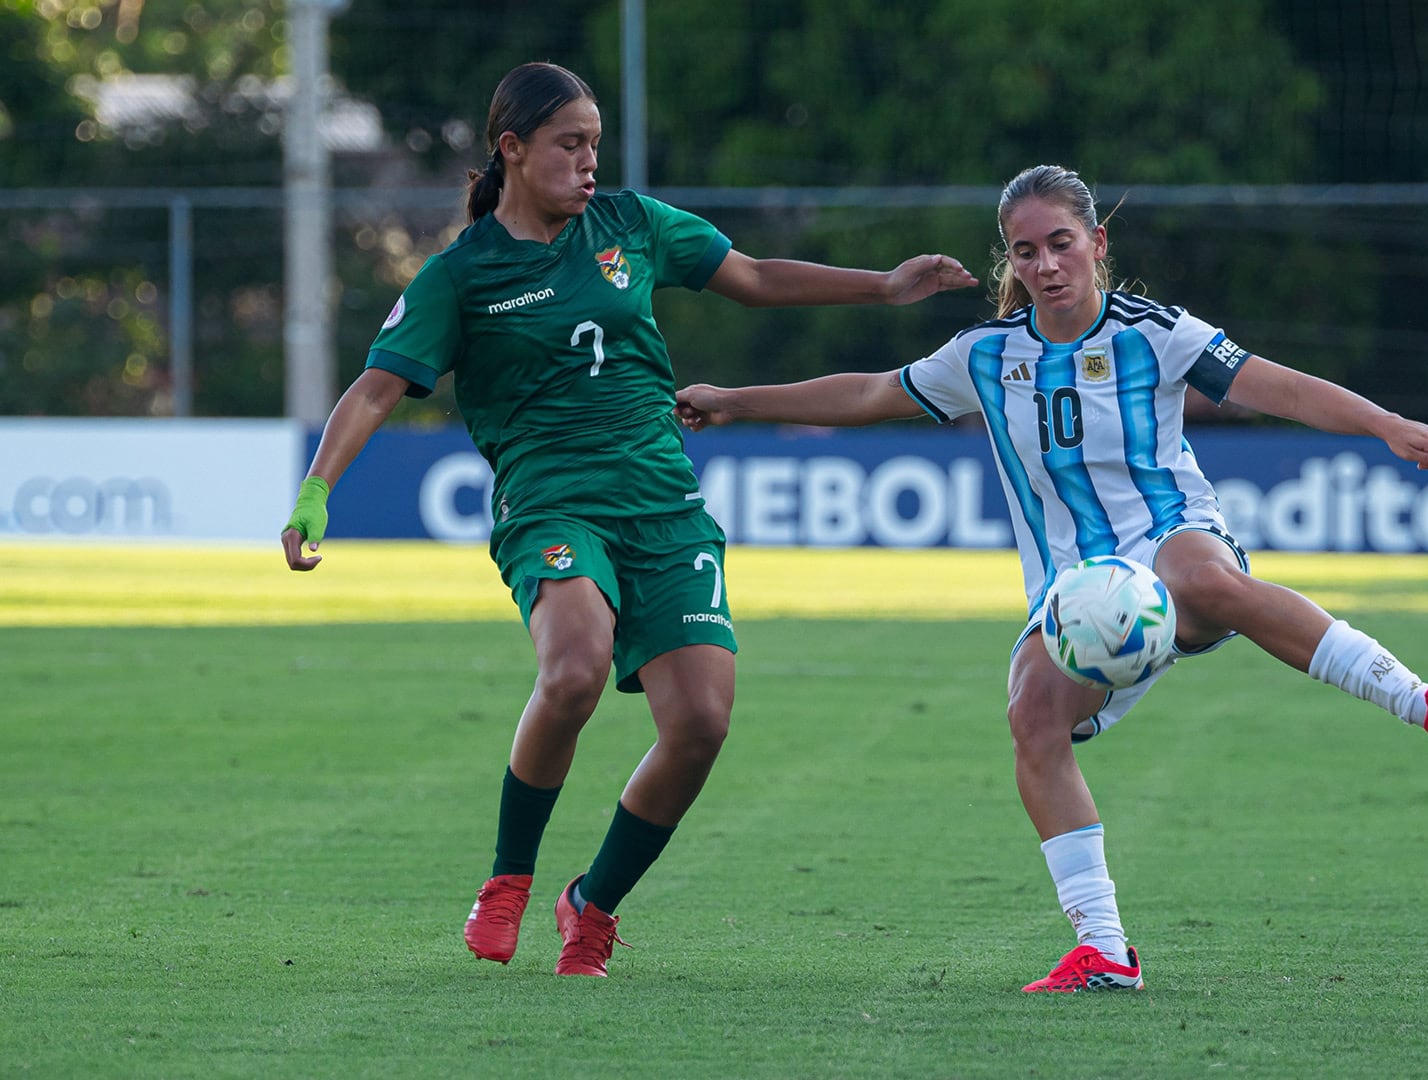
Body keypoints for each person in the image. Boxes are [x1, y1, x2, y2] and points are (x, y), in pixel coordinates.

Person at [674, 164, 1428, 993]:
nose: (1045, 265)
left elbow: (1279, 388)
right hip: (1071, 590)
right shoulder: (986, 354)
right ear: (1010, 260)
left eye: (1061, 243)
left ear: (1097, 243)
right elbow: (867, 394)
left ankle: (1426, 704)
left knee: (1205, 580)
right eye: (1025, 251)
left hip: (1171, 535)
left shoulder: (1158, 333)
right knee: (1031, 717)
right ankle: (1104, 949)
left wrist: (1385, 424)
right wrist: (737, 402)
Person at [279, 62, 976, 978]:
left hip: (662, 504)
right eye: (569, 144)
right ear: (512, 149)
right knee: (573, 670)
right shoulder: (462, 276)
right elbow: (376, 389)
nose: (589, 162)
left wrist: (883, 287)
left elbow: (754, 276)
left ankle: (592, 903)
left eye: (595, 145)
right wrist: (315, 493)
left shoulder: (633, 225)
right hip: (551, 502)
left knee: (702, 723)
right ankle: (508, 879)